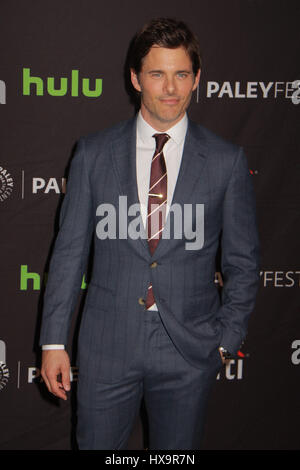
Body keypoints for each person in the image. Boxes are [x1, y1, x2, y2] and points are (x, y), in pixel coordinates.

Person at [40, 17, 260, 450]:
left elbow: (243, 264)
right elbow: (68, 254)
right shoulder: (94, 153)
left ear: (196, 79)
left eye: (181, 74)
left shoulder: (226, 161)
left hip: (189, 351)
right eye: (157, 74)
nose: (171, 88)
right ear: (136, 78)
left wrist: (224, 342)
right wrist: (52, 341)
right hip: (107, 346)